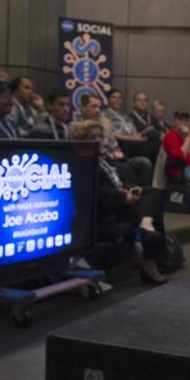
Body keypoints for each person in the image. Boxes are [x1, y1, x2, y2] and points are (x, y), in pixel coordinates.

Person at [69, 120, 169, 285]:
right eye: (92, 137)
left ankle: (146, 225)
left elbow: (117, 182)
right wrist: (124, 197)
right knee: (151, 210)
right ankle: (154, 264)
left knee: (153, 193)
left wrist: (130, 190)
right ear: (81, 141)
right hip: (106, 212)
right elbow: (96, 192)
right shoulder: (82, 164)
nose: (98, 140)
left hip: (121, 202)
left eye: (100, 136)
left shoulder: (104, 159)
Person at [82, 90, 148, 185]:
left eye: (99, 107)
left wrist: (117, 152)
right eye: (93, 107)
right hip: (99, 159)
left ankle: (141, 189)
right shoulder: (79, 126)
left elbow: (113, 144)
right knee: (125, 168)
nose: (97, 110)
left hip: (116, 156)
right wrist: (111, 155)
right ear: (83, 108)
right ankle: (131, 191)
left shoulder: (105, 123)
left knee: (144, 162)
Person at [104, 88, 160, 161]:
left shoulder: (126, 117)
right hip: (119, 143)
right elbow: (111, 134)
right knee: (144, 145)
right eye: (114, 97)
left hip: (132, 142)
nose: (117, 100)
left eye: (119, 98)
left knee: (154, 141)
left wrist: (142, 135)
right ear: (107, 100)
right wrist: (132, 138)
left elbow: (135, 133)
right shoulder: (104, 115)